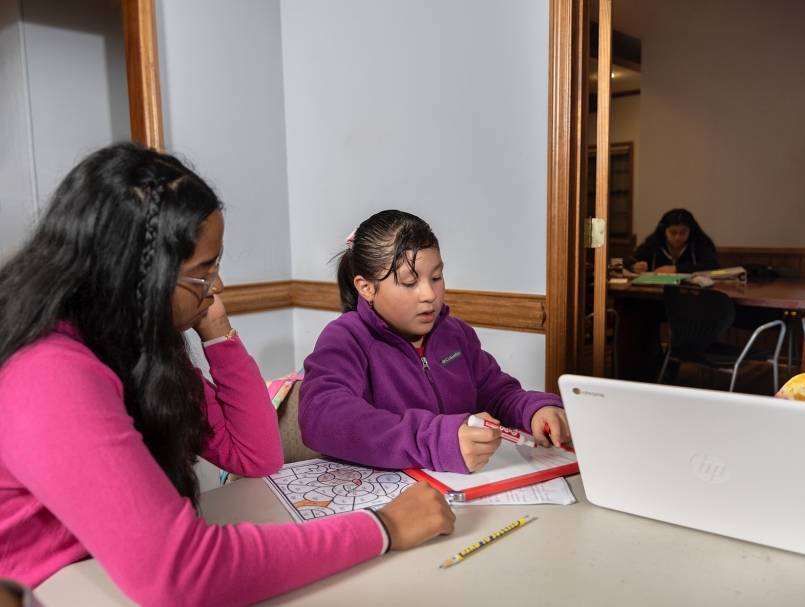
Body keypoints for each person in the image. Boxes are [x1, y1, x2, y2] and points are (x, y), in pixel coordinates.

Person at [0, 145, 454, 606]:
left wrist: (218, 334)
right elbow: (183, 572)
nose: (216, 287)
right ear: (138, 276)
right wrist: (383, 527)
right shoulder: (49, 373)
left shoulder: (131, 348)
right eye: (202, 273)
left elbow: (255, 455)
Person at [298, 210, 570, 474]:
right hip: (389, 499)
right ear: (366, 287)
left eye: (436, 277)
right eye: (409, 282)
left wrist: (535, 409)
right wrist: (437, 440)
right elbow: (321, 418)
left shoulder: (456, 334)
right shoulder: (347, 338)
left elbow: (497, 394)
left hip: (461, 491)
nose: (429, 294)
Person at [626, 208, 719, 274]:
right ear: (664, 230)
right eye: (673, 233)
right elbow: (628, 264)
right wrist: (634, 267)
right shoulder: (653, 244)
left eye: (683, 232)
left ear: (691, 230)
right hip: (656, 295)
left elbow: (713, 266)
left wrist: (676, 269)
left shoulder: (699, 243)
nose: (678, 237)